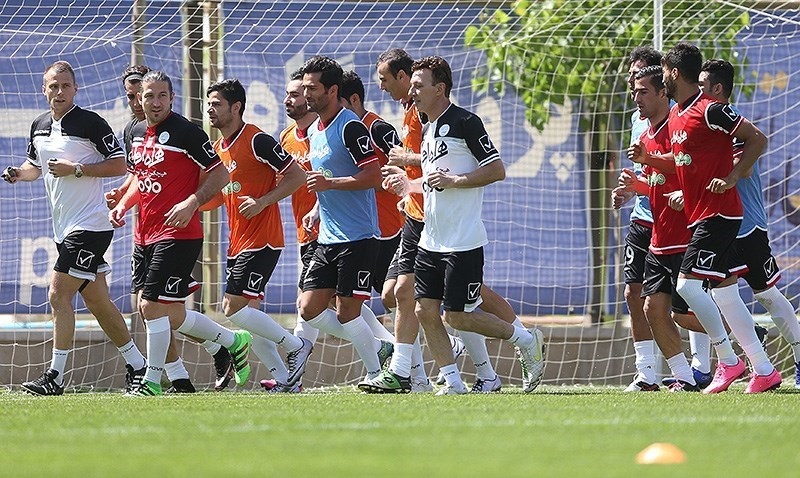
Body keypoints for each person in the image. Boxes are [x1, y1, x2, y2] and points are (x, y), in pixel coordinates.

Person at [381, 56, 545, 395]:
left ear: (439, 89)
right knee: (424, 309)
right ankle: (454, 382)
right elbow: (433, 180)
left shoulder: (466, 122)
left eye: (418, 85)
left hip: (463, 240)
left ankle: (526, 340)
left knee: (457, 316)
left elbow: (496, 169)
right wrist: (407, 185)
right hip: (431, 237)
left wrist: (455, 179)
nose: (412, 91)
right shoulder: (427, 127)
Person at [2, 60, 147, 396]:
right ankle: (138, 365)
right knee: (97, 300)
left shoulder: (90, 122)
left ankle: (55, 376)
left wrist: (78, 169)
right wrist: (18, 174)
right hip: (64, 227)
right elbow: (35, 167)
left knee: (57, 294)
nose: (59, 91)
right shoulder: (38, 125)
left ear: (75, 89)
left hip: (91, 224)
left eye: (65, 85)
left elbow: (120, 163)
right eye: (53, 86)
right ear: (44, 89)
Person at [108, 70, 252, 396]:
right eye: (148, 96)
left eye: (162, 96)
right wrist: (122, 204)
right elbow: (140, 180)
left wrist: (192, 201)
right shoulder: (133, 131)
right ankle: (230, 342)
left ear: (172, 98)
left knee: (150, 306)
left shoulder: (188, 132)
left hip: (178, 233)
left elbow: (220, 176)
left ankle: (151, 382)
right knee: (170, 314)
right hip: (143, 234)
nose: (155, 102)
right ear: (139, 99)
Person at [660, 42, 779, 393]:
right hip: (701, 214)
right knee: (725, 295)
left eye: (664, 71)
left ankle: (728, 361)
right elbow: (684, 163)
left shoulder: (711, 110)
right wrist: (650, 166)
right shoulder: (676, 115)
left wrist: (732, 176)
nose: (663, 77)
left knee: (686, 287)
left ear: (675, 73)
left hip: (721, 214)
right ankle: (764, 369)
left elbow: (757, 139)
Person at [695, 59, 800, 388]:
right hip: (719, 223)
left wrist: (725, 176)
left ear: (718, 90)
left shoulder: (728, 120)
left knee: (766, 295)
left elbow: (747, 163)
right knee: (707, 292)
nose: (698, 93)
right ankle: (734, 360)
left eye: (702, 87)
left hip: (747, 224)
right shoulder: (699, 121)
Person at [203, 78, 311, 393]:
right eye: (208, 103)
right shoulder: (218, 148)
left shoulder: (257, 140)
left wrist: (263, 201)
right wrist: (189, 206)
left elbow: (297, 175)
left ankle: (295, 345)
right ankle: (285, 379)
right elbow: (217, 196)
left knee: (231, 307)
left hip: (263, 240)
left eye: (217, 104)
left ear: (236, 107)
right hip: (238, 242)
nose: (211, 109)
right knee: (249, 315)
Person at [295, 56, 391, 381]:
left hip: (359, 236)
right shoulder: (313, 131)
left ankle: (376, 372)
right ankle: (378, 346)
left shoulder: (350, 126)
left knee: (348, 313)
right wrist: (316, 208)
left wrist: (328, 184)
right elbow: (328, 179)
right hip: (327, 237)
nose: (307, 94)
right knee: (308, 308)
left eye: (313, 88)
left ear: (332, 90)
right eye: (304, 87)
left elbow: (373, 176)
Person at [616, 66, 699, 391]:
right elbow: (657, 183)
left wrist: (649, 168)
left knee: (685, 310)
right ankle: (681, 377)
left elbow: (689, 170)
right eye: (634, 91)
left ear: (664, 91)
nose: (636, 98)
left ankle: (742, 337)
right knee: (649, 305)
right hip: (655, 234)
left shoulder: (679, 126)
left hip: (683, 233)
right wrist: (635, 186)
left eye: (642, 91)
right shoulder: (645, 133)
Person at [610, 46, 662, 392]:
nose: (633, 80)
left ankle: (706, 361)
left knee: (678, 301)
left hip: (672, 217)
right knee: (632, 293)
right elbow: (639, 170)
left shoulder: (674, 116)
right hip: (642, 216)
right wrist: (628, 191)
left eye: (640, 74)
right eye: (631, 74)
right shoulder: (634, 119)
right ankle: (646, 373)